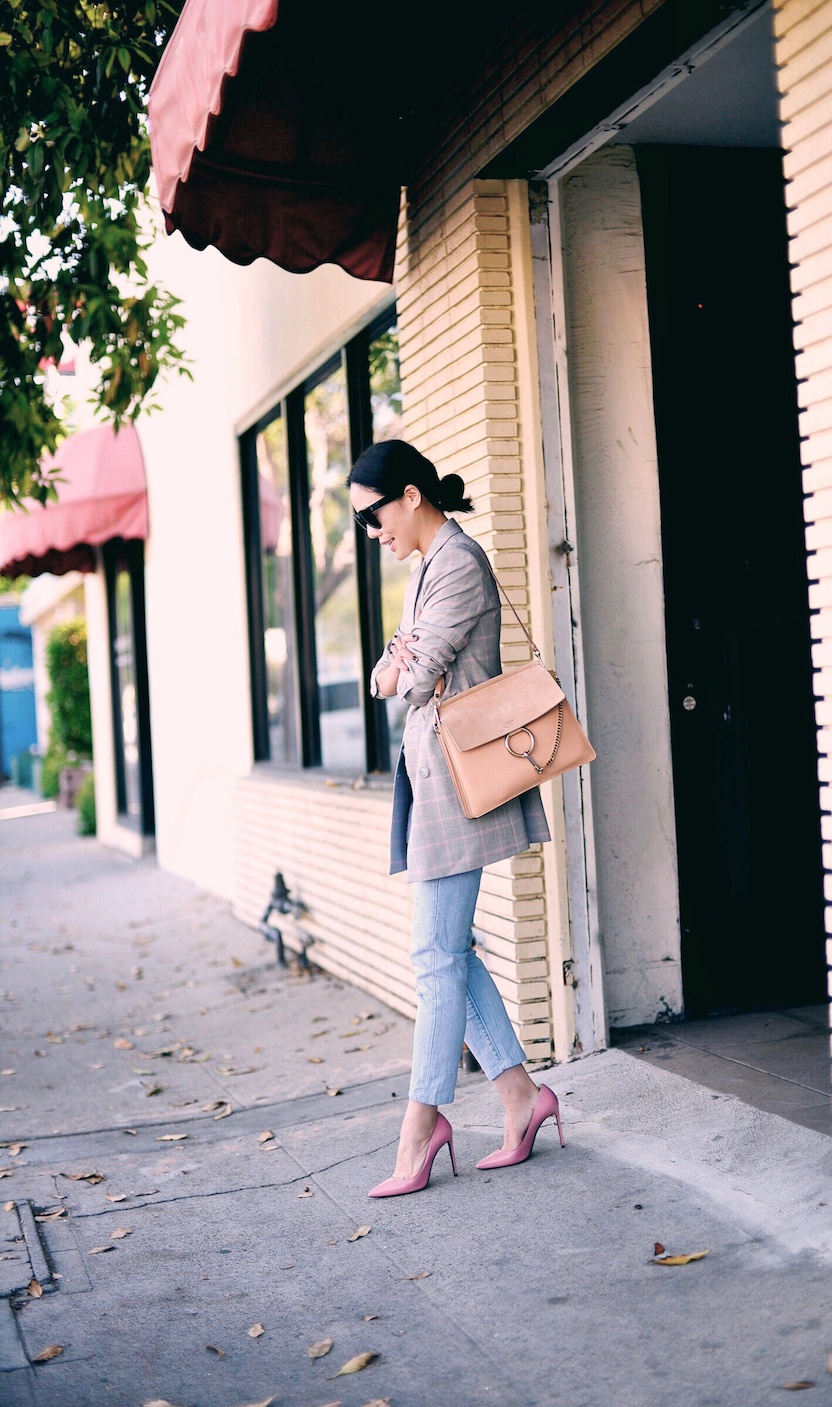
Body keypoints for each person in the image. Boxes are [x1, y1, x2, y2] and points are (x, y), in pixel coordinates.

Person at [347, 439, 564, 1198]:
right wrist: (398, 664)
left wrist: (401, 665)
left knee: (434, 957)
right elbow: (388, 671)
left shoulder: (459, 562)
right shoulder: (427, 571)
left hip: (456, 779)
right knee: (449, 952)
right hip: (434, 776)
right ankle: (520, 1098)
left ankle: (423, 1123)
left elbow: (412, 672)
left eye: (373, 516)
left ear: (409, 496)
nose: (371, 533)